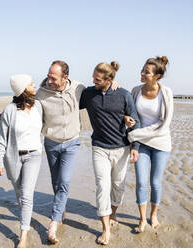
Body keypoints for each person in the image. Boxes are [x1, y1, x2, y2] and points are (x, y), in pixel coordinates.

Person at [36, 60, 119, 243]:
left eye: (53, 77)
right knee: (56, 181)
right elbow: (26, 104)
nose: (49, 80)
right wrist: (8, 112)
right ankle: (61, 207)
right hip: (51, 142)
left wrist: (112, 84)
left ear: (65, 77)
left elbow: (99, 88)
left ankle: (54, 222)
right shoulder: (42, 93)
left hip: (72, 143)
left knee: (64, 181)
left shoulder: (78, 88)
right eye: (48, 76)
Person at [79, 61, 140, 245]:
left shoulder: (124, 95)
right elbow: (67, 99)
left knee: (118, 187)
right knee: (102, 187)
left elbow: (135, 120)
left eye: (97, 79)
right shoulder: (89, 94)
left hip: (122, 148)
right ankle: (105, 229)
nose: (93, 81)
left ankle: (113, 213)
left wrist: (135, 145)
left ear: (110, 79)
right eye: (93, 77)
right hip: (99, 148)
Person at [125, 56, 173, 233]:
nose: (142, 73)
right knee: (140, 182)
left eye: (147, 72)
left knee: (155, 182)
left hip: (161, 143)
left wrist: (135, 134)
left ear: (157, 76)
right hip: (140, 144)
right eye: (142, 69)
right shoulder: (135, 90)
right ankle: (142, 219)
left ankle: (153, 215)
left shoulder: (166, 93)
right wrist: (127, 122)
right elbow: (128, 112)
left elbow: (164, 124)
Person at [0, 74, 43, 248]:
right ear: (22, 89)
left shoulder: (39, 107)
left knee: (27, 195)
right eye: (31, 84)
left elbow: (49, 88)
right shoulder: (9, 110)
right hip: (14, 157)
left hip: (34, 156)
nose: (34, 85)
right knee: (20, 196)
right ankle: (26, 216)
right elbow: (1, 138)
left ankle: (23, 236)